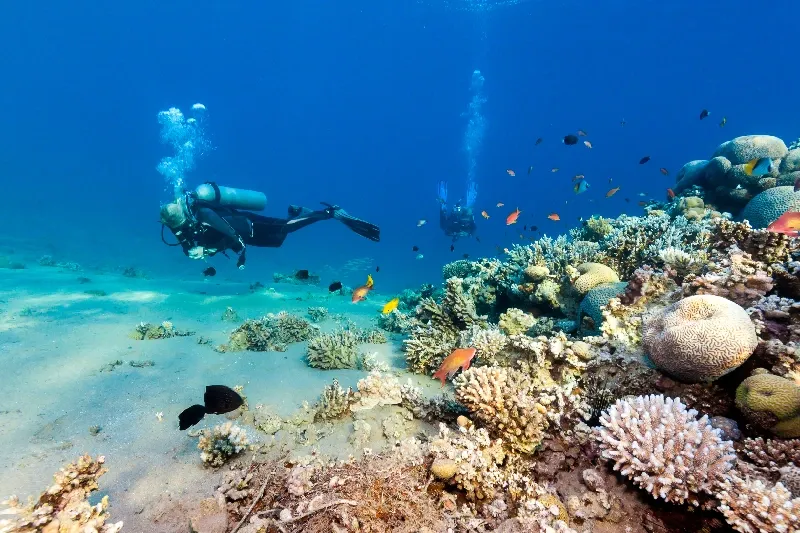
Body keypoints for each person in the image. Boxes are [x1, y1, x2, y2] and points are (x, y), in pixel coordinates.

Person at [161, 182, 380, 269]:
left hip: (248, 226)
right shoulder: (178, 222)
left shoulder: (205, 213)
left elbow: (232, 235)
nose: (178, 228)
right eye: (174, 225)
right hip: (248, 233)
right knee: (279, 239)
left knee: (285, 229)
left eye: (179, 223)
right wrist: (195, 251)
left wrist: (235, 253)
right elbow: (187, 243)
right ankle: (299, 213)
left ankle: (330, 213)